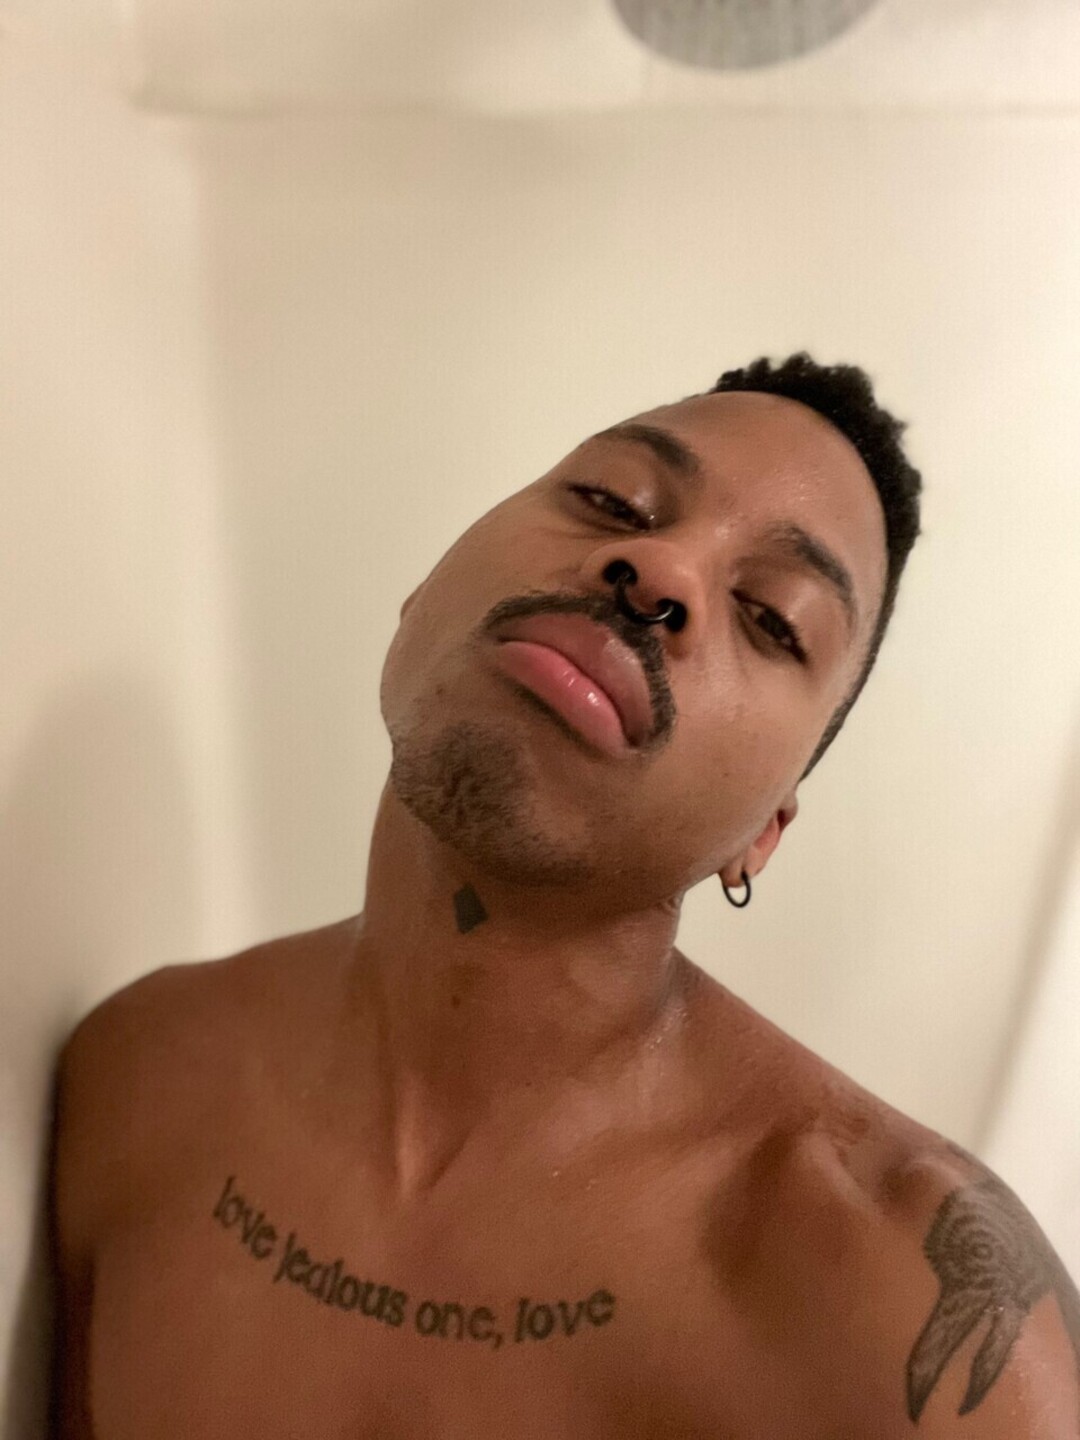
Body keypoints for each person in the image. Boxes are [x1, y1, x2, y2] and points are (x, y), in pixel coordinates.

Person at [48, 353, 1079, 1437]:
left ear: (763, 834)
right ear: (421, 594)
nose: (659, 567)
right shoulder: (136, 1079)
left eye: (772, 617)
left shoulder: (914, 1308)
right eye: (613, 501)